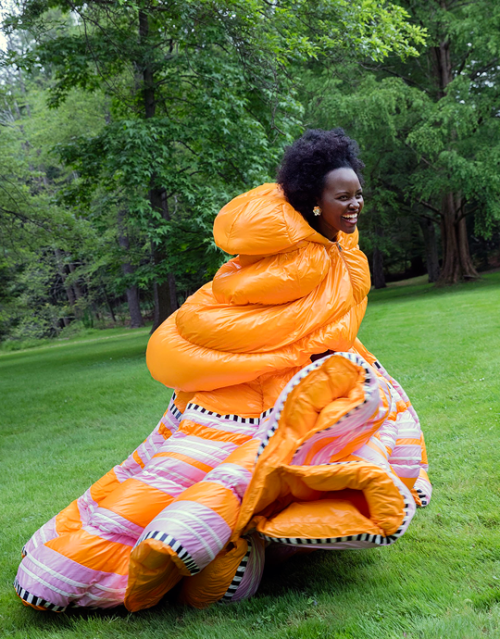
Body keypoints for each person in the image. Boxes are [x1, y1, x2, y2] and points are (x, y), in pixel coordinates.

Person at [14, 129, 432, 613]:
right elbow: (283, 318)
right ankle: (173, 551)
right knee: (229, 468)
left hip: (303, 372)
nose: (356, 203)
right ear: (314, 202)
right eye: (343, 196)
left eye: (359, 194)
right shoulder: (305, 258)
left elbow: (330, 314)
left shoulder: (336, 248)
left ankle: (266, 544)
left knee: (290, 460)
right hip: (261, 386)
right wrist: (281, 356)